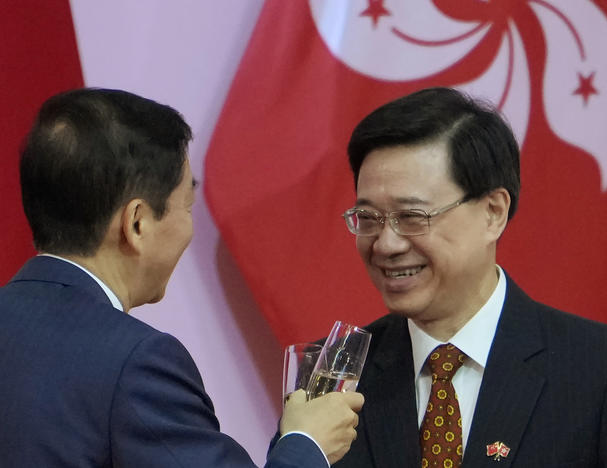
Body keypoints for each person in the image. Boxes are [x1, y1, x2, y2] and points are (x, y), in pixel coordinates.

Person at [0, 88, 363, 467]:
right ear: (136, 222)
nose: (188, 229)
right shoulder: (137, 362)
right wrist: (309, 444)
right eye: (186, 207)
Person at [332, 87, 607, 467]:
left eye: (411, 217)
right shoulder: (334, 373)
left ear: (493, 212)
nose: (386, 244)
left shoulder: (601, 371)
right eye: (368, 219)